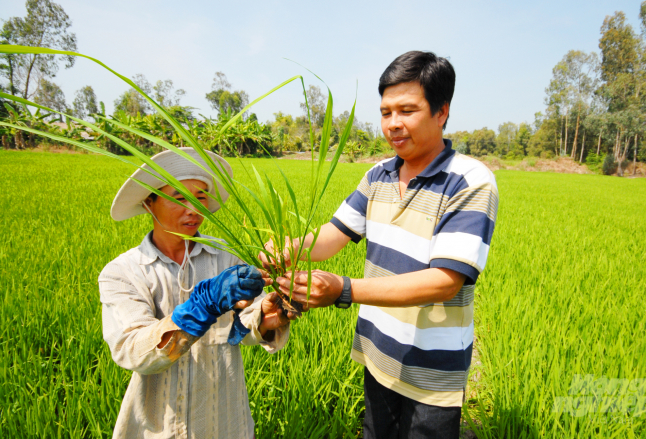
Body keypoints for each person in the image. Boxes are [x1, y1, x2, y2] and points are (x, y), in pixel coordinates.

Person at [270, 51, 499, 438]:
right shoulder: (378, 174)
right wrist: (289, 250)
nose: (392, 124)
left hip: (433, 372)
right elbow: (332, 235)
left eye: (407, 110)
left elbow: (444, 281)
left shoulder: (469, 181)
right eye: (386, 111)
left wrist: (344, 290)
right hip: (378, 353)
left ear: (441, 112)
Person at [100, 147, 293, 439]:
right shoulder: (124, 272)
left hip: (226, 419)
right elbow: (132, 351)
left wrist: (267, 317)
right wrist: (204, 305)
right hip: (159, 426)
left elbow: (242, 326)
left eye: (201, 197)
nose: (193, 209)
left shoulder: (227, 256)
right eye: (179, 198)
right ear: (149, 202)